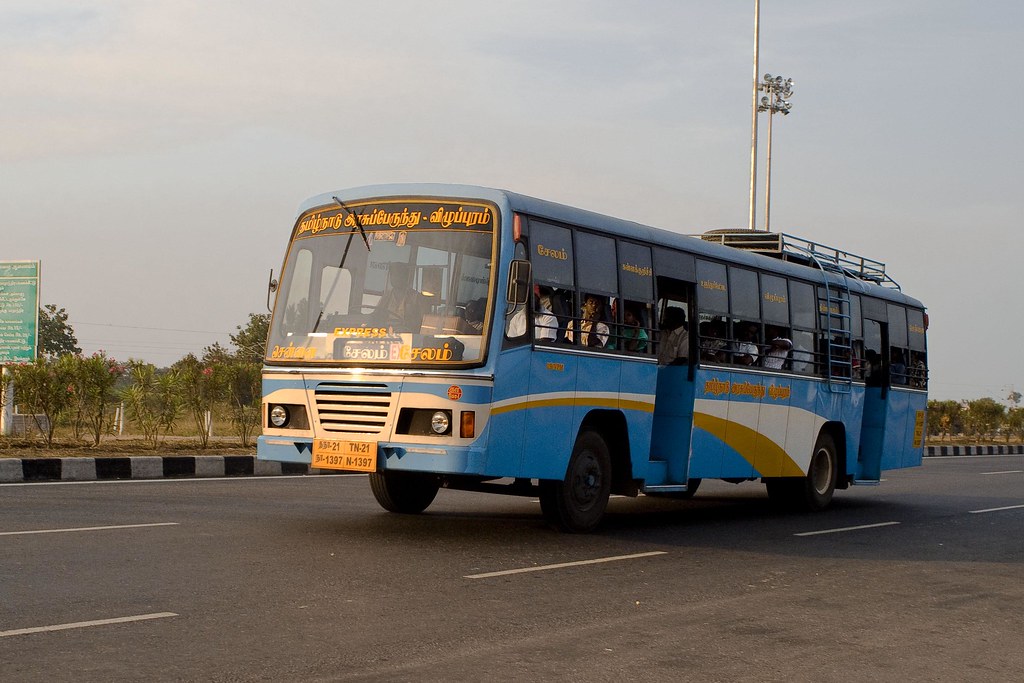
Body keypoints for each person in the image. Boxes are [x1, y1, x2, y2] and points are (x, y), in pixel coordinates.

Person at [374, 262, 424, 330]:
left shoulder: (416, 297)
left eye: (398, 274)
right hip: (386, 333)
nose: (395, 278)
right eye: (393, 275)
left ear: (406, 277)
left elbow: (423, 321)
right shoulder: (386, 296)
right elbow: (376, 315)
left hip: (407, 333)